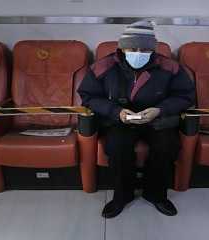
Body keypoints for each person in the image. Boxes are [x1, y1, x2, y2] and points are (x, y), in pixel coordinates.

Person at [78, 20, 195, 218]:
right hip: (119, 119)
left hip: (157, 118)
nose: (138, 53)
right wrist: (116, 112)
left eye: (145, 49)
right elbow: (88, 96)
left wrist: (160, 109)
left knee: (167, 145)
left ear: (153, 49)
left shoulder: (170, 67)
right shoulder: (103, 66)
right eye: (133, 48)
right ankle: (122, 196)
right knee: (116, 146)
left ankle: (156, 194)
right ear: (122, 47)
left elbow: (185, 96)